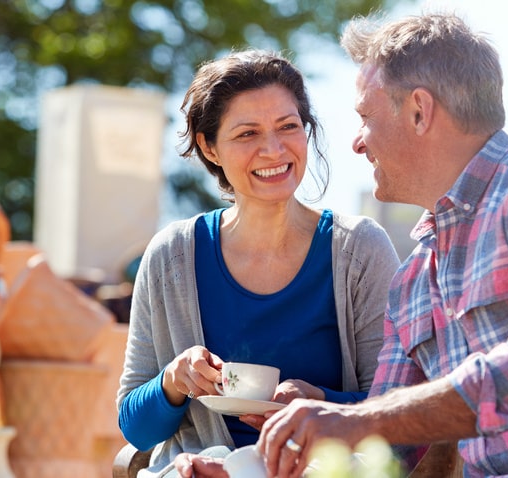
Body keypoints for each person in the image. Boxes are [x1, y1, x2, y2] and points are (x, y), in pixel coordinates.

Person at [256, 12, 508, 478]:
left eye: (364, 117)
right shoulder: (413, 279)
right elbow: (385, 454)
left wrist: (354, 418)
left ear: (420, 111)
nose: (357, 143)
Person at [116, 49, 400, 477]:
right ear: (210, 148)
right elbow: (136, 431)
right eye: (247, 134)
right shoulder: (171, 255)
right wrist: (173, 382)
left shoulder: (359, 250)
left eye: (288, 127)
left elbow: (396, 410)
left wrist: (318, 403)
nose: (273, 149)